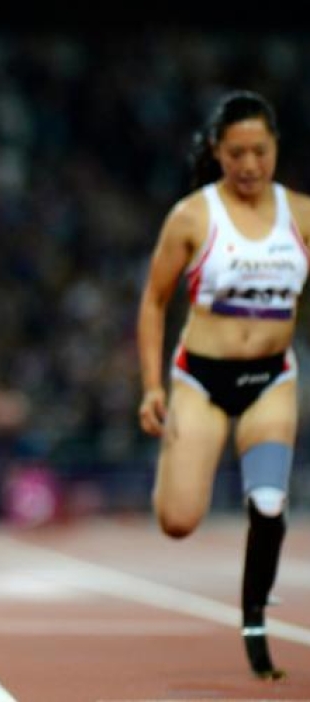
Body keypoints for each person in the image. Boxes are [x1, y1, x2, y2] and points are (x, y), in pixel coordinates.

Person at [137, 90, 307, 680]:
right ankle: (188, 469)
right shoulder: (192, 216)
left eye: (260, 152)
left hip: (271, 381)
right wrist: (152, 386)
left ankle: (256, 624)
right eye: (237, 153)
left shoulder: (302, 215)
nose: (250, 165)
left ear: (275, 148)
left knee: (268, 501)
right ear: (218, 152)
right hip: (202, 382)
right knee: (179, 521)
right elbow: (154, 302)